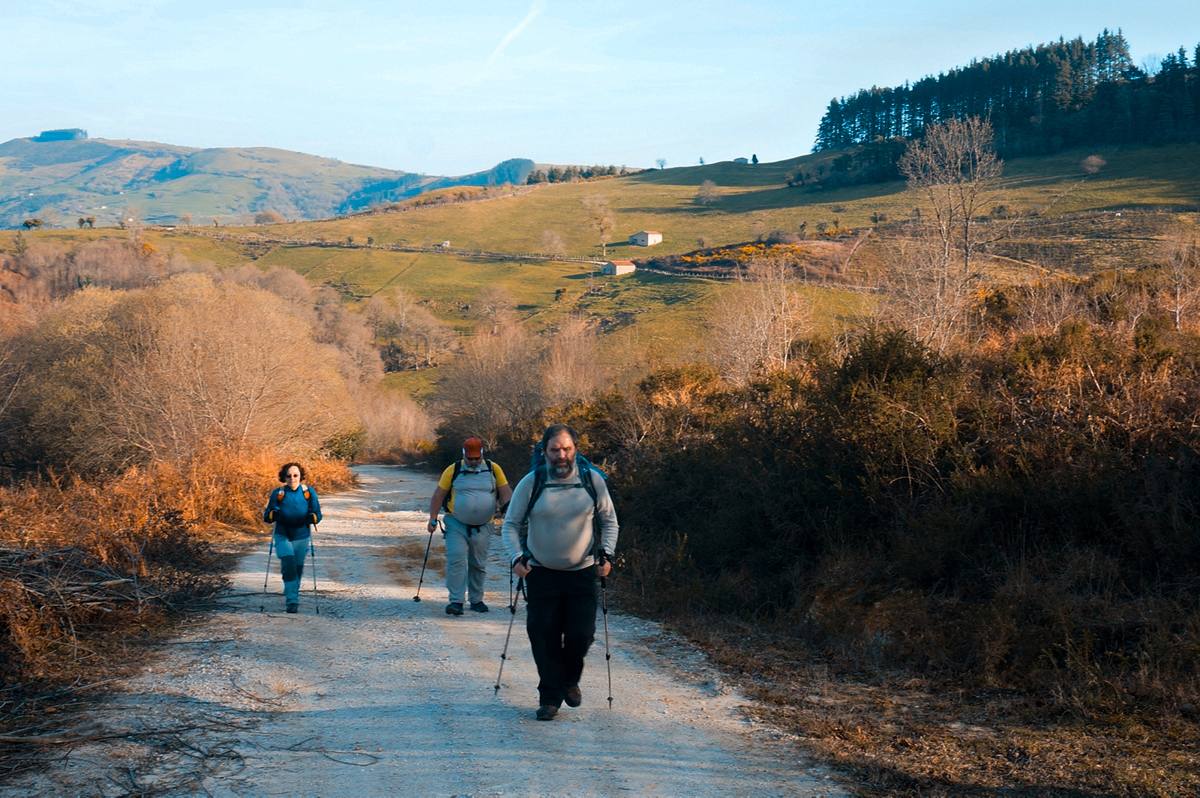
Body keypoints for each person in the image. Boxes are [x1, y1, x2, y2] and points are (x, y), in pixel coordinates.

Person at [502, 424, 618, 720]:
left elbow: (609, 521)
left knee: (581, 635)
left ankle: (569, 679)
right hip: (540, 573)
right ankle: (550, 698)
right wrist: (516, 557)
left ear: (576, 449)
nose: (561, 455)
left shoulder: (592, 481)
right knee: (543, 635)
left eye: (567, 449)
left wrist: (606, 554)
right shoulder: (532, 482)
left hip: (582, 572)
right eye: (555, 450)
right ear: (545, 452)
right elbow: (510, 525)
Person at [427, 436, 513, 616]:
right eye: (470, 458)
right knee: (456, 559)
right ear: (464, 455)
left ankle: (476, 600)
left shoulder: (493, 469)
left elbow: (505, 492)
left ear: (482, 454)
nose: (473, 462)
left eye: (476, 458)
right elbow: (438, 495)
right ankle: (456, 601)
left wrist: (509, 510)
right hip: (456, 523)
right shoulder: (453, 470)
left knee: (478, 564)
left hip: (484, 525)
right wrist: (433, 519)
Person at [263, 462, 322, 614]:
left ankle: (291, 591)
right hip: (282, 534)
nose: (292, 478)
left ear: (301, 476)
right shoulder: (279, 493)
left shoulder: (308, 492)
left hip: (301, 535)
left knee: (297, 568)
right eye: (288, 475)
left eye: (295, 475)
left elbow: (317, 513)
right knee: (288, 562)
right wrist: (271, 515)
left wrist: (313, 517)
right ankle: (292, 601)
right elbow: (267, 515)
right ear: (284, 477)